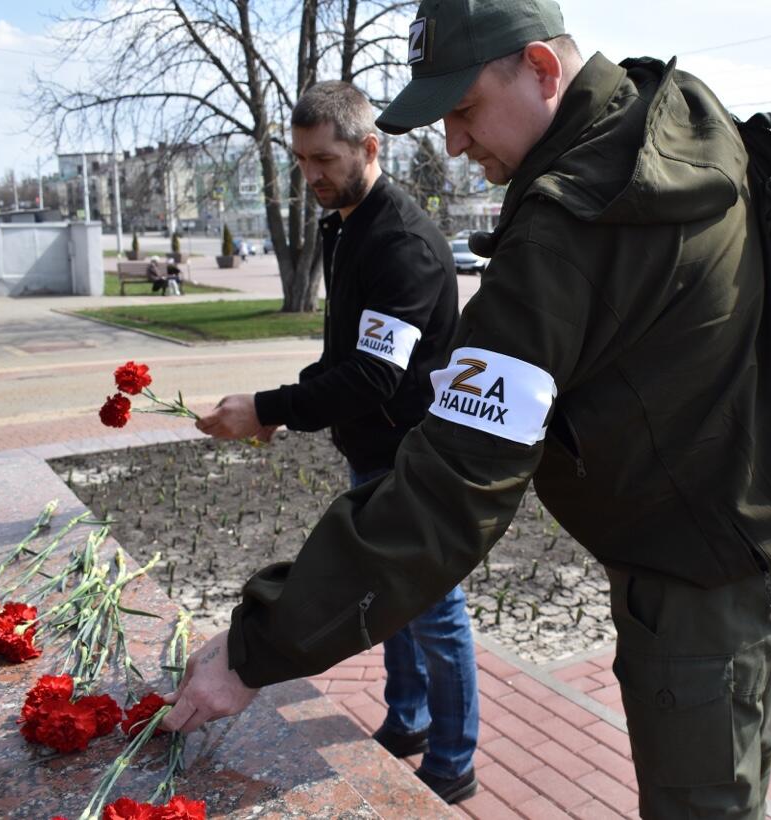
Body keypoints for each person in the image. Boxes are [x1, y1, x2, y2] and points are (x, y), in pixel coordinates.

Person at [164, 2, 771, 817]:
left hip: (694, 557)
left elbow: (455, 484)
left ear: (542, 69)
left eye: (463, 109)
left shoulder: (570, 224)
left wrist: (257, 645)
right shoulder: (674, 115)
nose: (453, 142)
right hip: (759, 502)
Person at [190, 82, 480, 802]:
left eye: (324, 159)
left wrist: (266, 405)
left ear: (369, 147)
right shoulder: (344, 224)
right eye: (301, 161)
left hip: (416, 456)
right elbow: (343, 355)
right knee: (387, 601)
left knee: (435, 614)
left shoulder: (403, 242)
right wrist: (284, 409)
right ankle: (407, 721)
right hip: (372, 450)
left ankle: (453, 761)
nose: (312, 175)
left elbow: (376, 376)